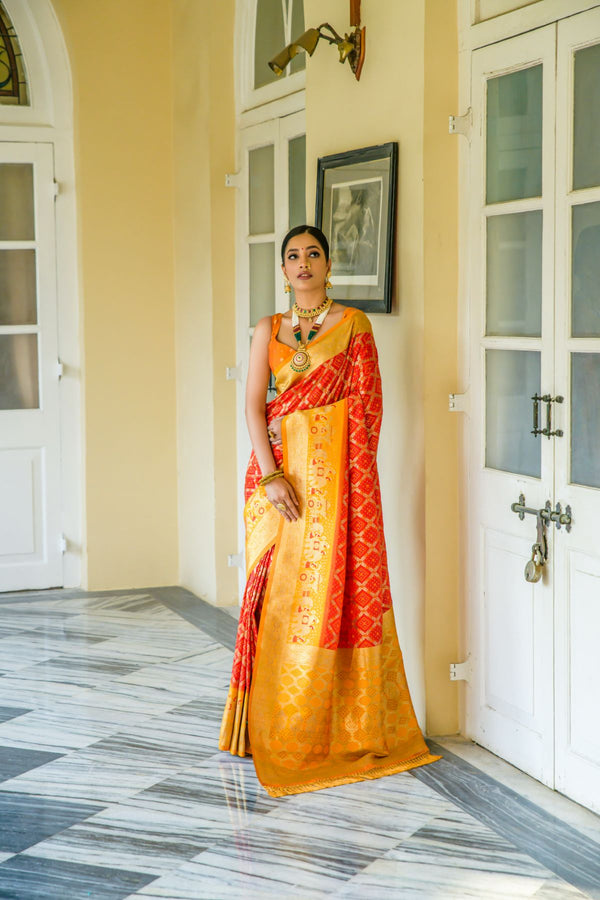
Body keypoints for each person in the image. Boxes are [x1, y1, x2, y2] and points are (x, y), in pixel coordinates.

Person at [219, 224, 442, 797]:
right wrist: (270, 474)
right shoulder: (266, 329)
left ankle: (329, 722)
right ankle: (261, 723)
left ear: (328, 263)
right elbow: (251, 406)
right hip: (275, 480)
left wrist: (334, 474)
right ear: (284, 268)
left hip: (337, 485)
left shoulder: (353, 326)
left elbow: (367, 410)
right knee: (267, 595)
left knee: (333, 599)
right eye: (292, 256)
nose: (302, 264)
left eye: (312, 254)